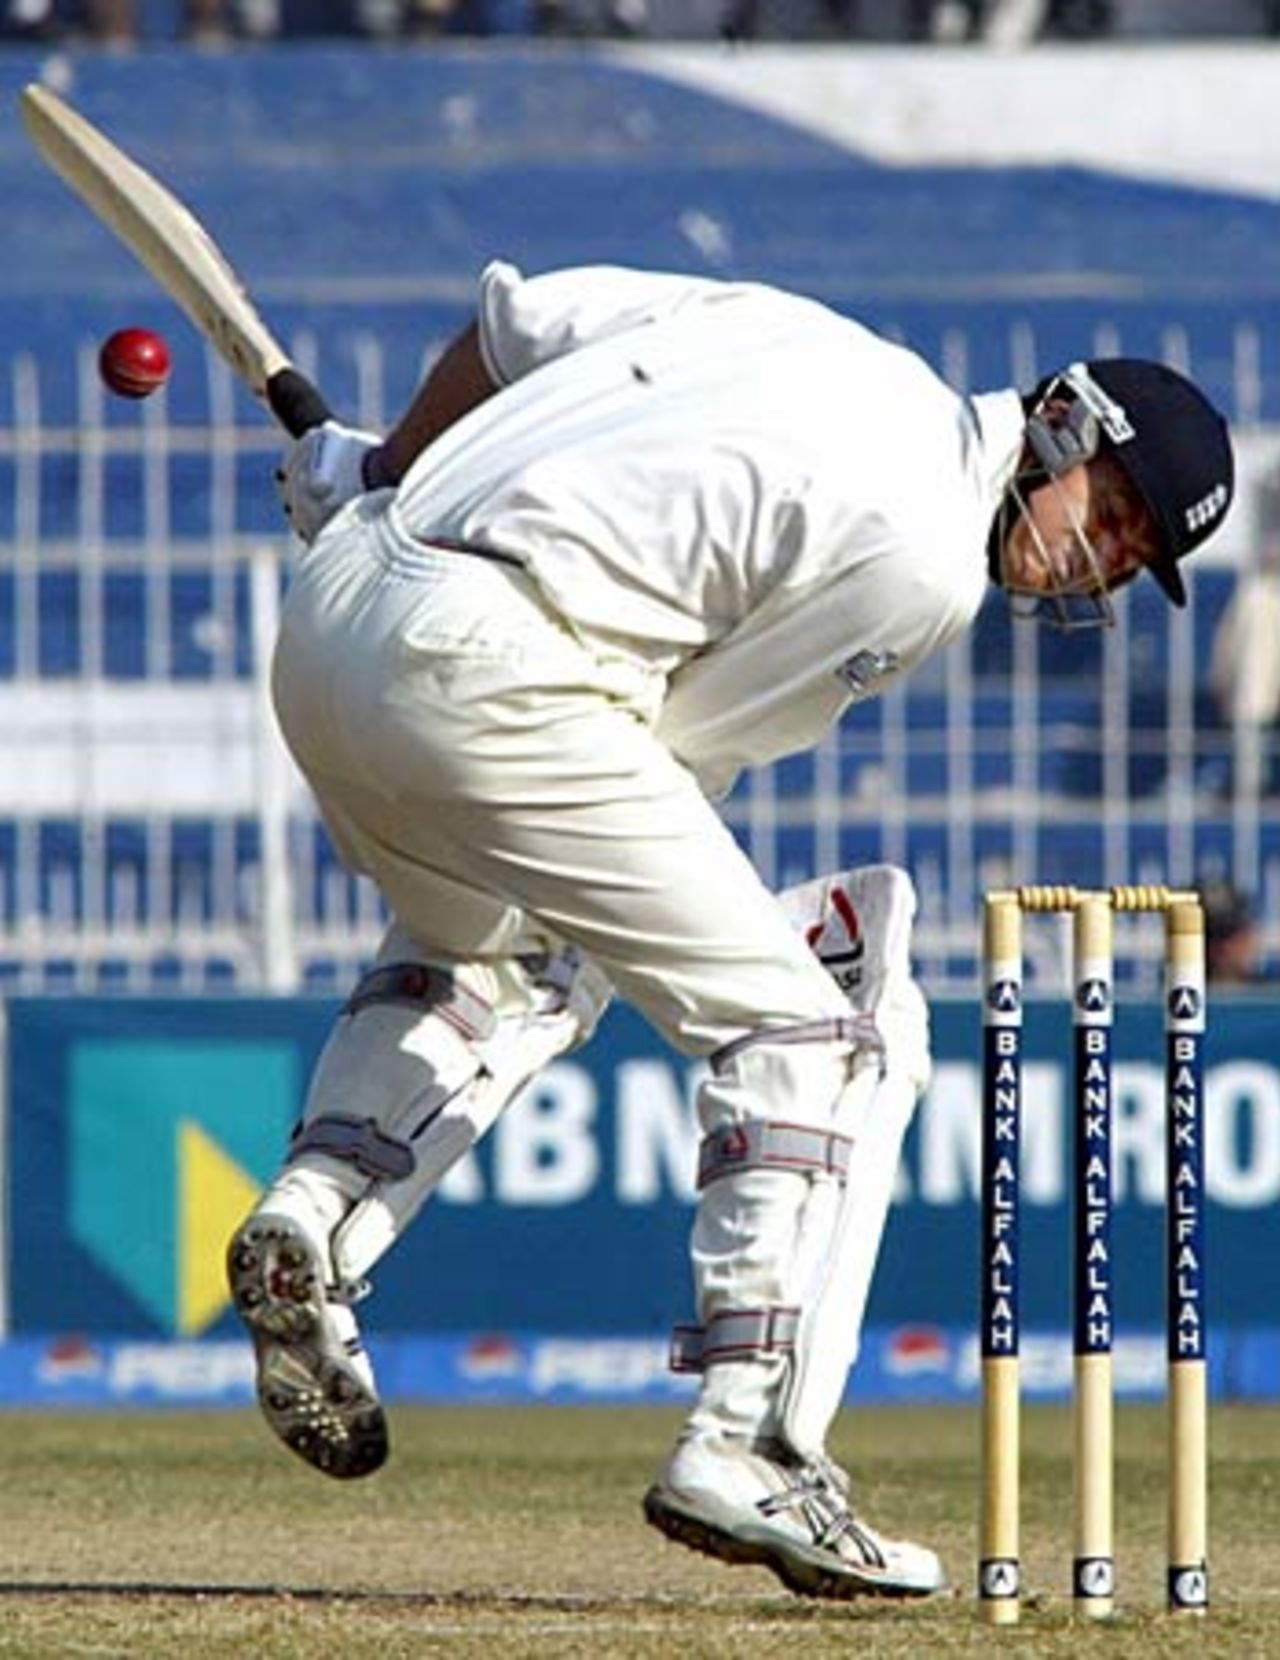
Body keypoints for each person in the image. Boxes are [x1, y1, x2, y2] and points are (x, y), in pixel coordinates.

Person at [226, 260, 1234, 1601]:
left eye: (1130, 556)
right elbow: (679, 740)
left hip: (338, 616)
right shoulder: (928, 562)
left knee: (505, 952)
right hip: (495, 668)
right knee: (815, 1028)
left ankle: (313, 1217)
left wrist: (377, 476)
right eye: (1112, 514)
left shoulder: (796, 333)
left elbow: (506, 327)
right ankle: (746, 1440)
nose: (1097, 558)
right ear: (1060, 424)